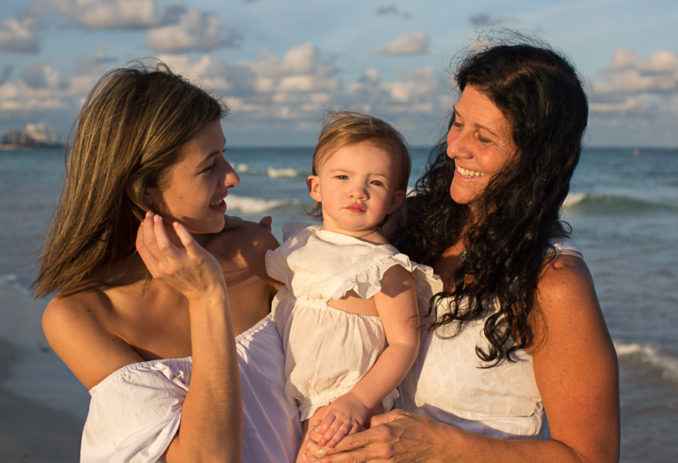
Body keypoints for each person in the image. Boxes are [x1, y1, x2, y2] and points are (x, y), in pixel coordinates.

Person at [305, 43, 621, 462]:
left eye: (484, 137)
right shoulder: (415, 221)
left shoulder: (553, 282)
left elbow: (589, 457)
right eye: (457, 122)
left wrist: (442, 447)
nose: (455, 147)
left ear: (535, 160)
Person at [33, 61, 300, 462]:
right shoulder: (82, 315)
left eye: (225, 155)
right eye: (210, 166)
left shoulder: (253, 251)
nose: (233, 177)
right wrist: (207, 297)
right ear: (145, 192)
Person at [266, 111, 441, 462]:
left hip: (343, 401)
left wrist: (358, 401)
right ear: (316, 187)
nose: (357, 190)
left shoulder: (385, 268)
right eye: (342, 176)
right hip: (290, 396)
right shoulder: (301, 244)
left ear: (394, 200)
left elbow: (404, 343)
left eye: (375, 182)